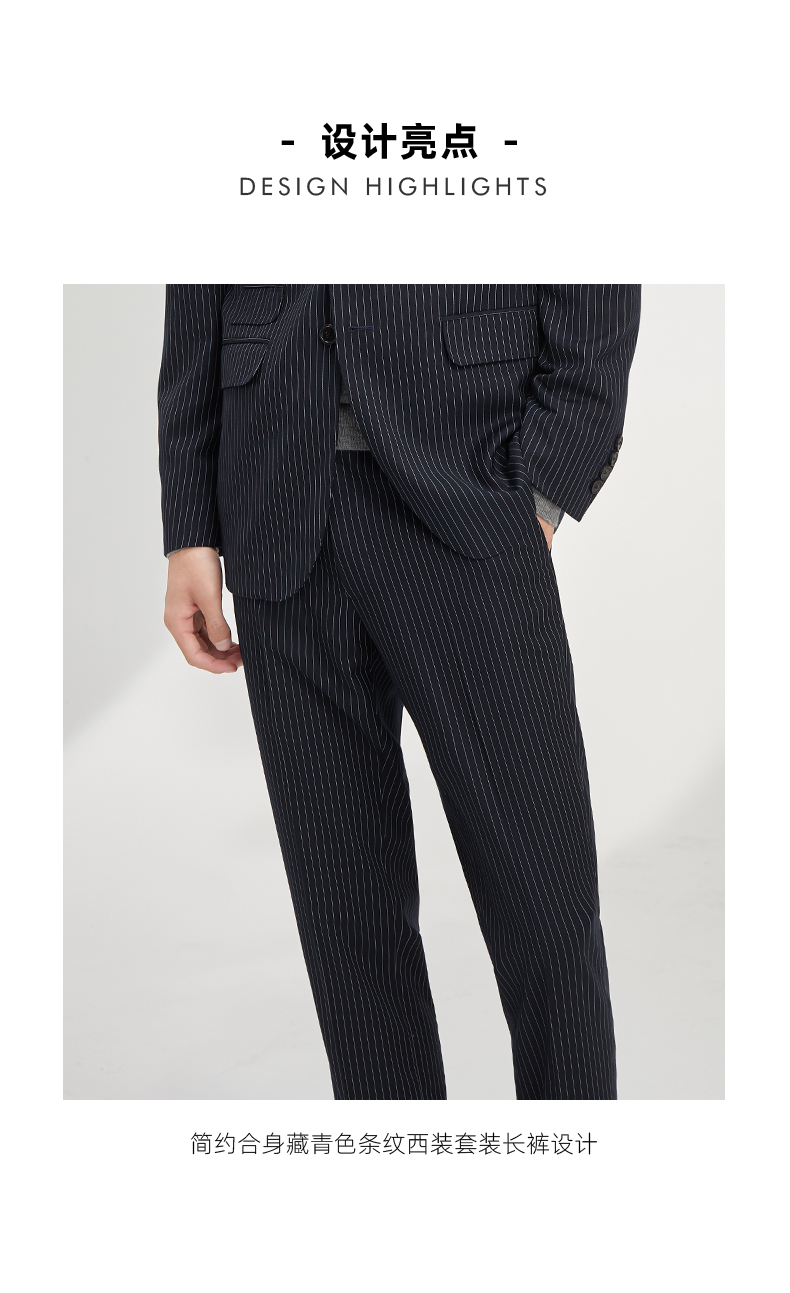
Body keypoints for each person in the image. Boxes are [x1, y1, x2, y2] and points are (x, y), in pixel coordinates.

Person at [158, 283, 641, 1099]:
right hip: (275, 492)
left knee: (546, 909)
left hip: (470, 484)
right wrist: (190, 522)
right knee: (348, 923)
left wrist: (545, 481)